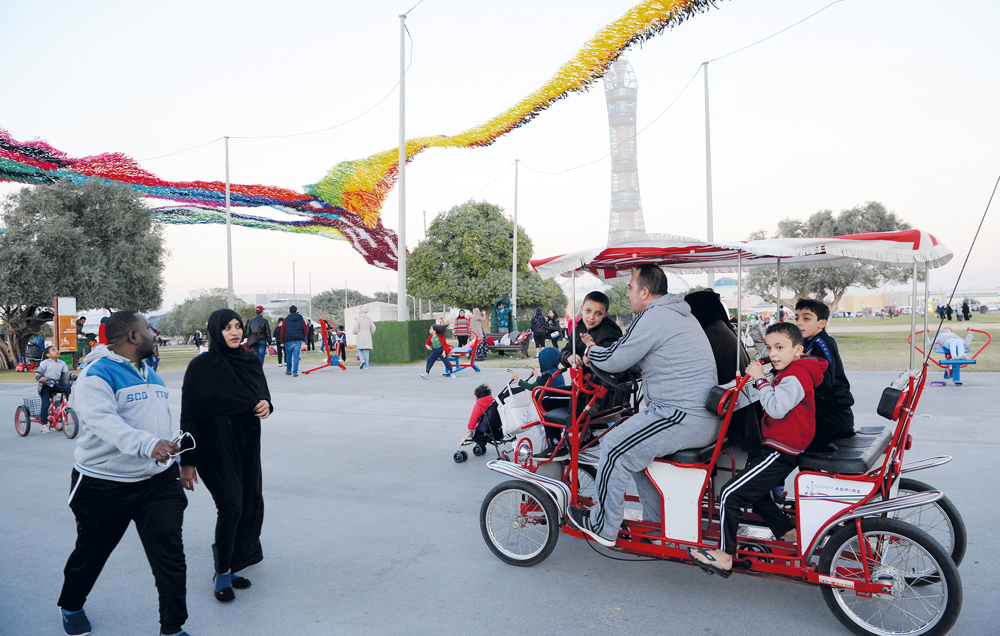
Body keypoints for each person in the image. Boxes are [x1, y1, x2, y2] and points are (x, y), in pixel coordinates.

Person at [57, 310, 193, 636]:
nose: (154, 332)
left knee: (169, 555)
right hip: (104, 485)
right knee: (91, 553)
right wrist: (149, 444)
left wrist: (178, 458)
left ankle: (172, 628)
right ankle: (72, 604)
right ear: (133, 336)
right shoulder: (96, 376)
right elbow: (106, 424)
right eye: (148, 327)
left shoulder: (151, 374)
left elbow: (160, 425)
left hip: (157, 483)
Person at [565, 265, 718, 547]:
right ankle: (656, 525)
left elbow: (615, 358)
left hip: (681, 415)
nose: (627, 293)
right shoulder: (678, 313)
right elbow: (638, 357)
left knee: (613, 447)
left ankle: (602, 526)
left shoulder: (654, 316)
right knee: (633, 453)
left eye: (630, 288)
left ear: (644, 292)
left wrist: (589, 352)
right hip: (696, 414)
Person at [689, 322, 826, 577]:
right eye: (770, 347)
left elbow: (776, 408)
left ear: (797, 350)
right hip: (782, 445)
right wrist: (761, 381)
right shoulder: (793, 370)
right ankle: (786, 531)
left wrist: (761, 381)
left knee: (730, 493)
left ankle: (724, 555)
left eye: (780, 348)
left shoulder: (796, 376)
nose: (773, 354)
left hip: (782, 449)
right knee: (753, 490)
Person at [179, 308, 272, 603]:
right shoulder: (201, 366)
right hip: (213, 445)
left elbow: (262, 393)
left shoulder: (249, 361)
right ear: (215, 332)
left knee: (248, 504)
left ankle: (233, 564)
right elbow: (189, 415)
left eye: (238, 326)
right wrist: (188, 460)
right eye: (227, 328)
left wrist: (267, 404)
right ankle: (221, 573)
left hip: (246, 442)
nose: (234, 332)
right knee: (231, 505)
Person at [794, 299, 856, 451]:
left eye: (806, 318)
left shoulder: (823, 343)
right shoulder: (805, 342)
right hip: (825, 411)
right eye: (797, 318)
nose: (799, 323)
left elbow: (825, 381)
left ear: (821, 324)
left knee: (797, 436)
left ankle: (809, 473)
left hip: (834, 414)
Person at [560, 291, 622, 370]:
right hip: (581, 379)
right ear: (582, 309)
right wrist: (569, 356)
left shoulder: (612, 332)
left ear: (605, 314)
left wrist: (592, 348)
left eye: (598, 313)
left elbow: (613, 360)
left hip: (604, 380)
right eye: (588, 311)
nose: (591, 317)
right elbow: (566, 349)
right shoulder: (578, 329)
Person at [35, 345, 71, 433]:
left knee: (67, 389)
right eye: (53, 350)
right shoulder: (45, 363)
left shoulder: (62, 363)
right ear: (48, 355)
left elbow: (67, 374)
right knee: (46, 404)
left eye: (57, 349)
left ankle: (60, 404)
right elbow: (37, 373)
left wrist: (73, 377)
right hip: (46, 386)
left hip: (56, 384)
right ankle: (44, 424)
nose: (57, 351)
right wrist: (40, 378)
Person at [282, 305, 306, 377]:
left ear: (289, 311)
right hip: (298, 339)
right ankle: (295, 372)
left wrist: (282, 341)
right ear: (296, 311)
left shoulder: (286, 319)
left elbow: (282, 330)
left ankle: (288, 370)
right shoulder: (301, 318)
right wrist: (303, 337)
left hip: (288, 339)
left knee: (288, 356)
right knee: (296, 356)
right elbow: (305, 329)